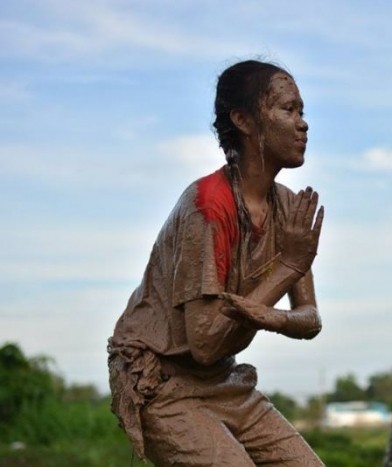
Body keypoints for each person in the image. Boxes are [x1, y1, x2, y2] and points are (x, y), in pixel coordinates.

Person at [107, 59, 325, 466]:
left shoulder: (290, 209)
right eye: (288, 109)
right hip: (162, 379)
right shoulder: (208, 206)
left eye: (302, 111)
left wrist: (267, 315)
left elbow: (310, 318)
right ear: (243, 120)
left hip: (223, 378)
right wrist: (287, 268)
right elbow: (205, 341)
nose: (303, 123)